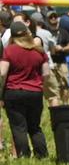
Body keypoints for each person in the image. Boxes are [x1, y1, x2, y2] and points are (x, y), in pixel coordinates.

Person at [0, 19, 52, 158]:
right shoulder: (39, 51)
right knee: (35, 126)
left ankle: (24, 155)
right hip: (35, 92)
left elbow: (2, 73)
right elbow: (46, 74)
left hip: (14, 92)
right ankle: (42, 155)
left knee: (19, 127)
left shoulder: (9, 51)